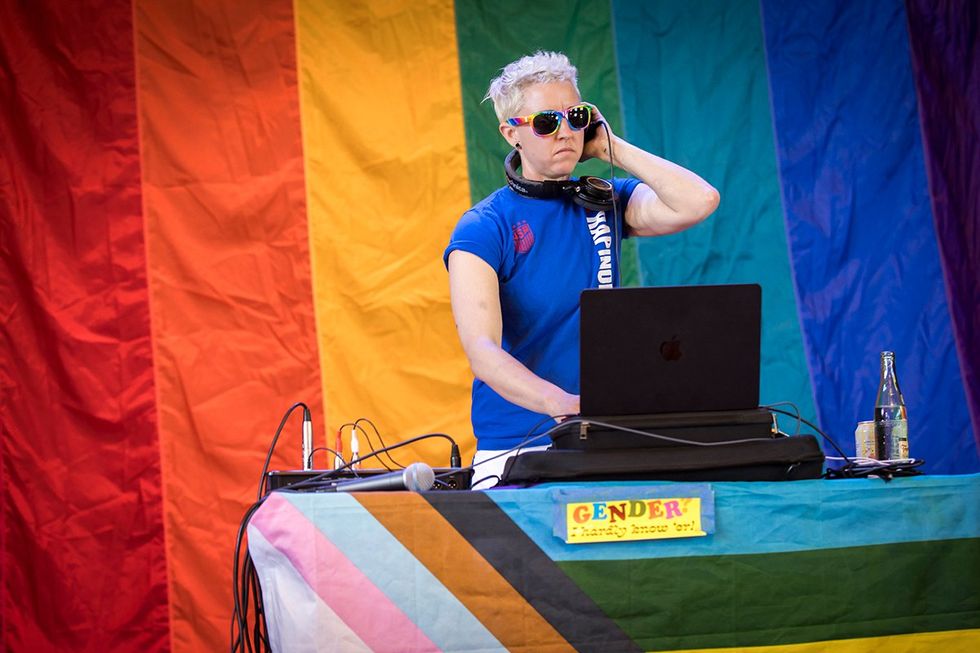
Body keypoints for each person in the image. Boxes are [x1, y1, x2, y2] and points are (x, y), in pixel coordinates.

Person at [444, 51, 719, 488]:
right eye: (546, 122)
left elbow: (699, 201)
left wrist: (610, 147)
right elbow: (483, 351)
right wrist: (562, 404)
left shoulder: (605, 199)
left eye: (576, 117)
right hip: (520, 447)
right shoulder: (483, 227)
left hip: (605, 438)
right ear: (511, 134)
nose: (565, 132)